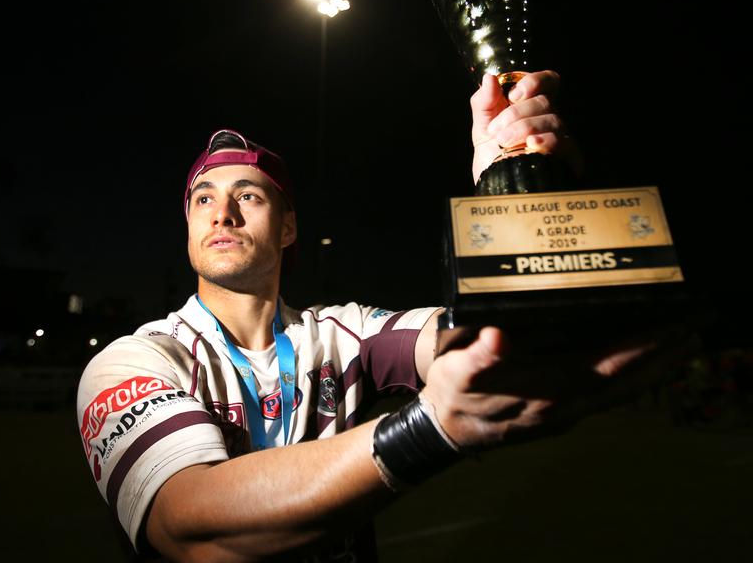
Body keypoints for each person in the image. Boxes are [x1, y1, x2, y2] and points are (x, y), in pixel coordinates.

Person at [77, 71, 684, 562]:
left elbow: (481, 336)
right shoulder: (135, 359)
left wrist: (514, 191)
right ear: (187, 226)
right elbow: (190, 530)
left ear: (288, 228)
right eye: (204, 199)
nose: (223, 214)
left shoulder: (344, 335)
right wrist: (429, 429)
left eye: (249, 196)